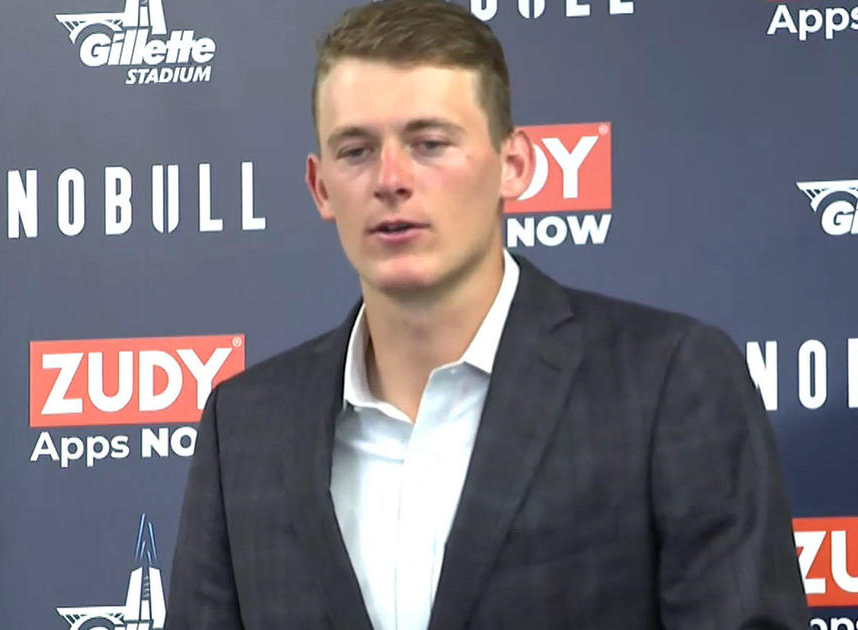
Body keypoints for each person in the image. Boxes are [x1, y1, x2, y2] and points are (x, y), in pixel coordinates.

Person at [166, 1, 809, 628]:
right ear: (320, 187)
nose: (391, 179)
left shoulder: (669, 382)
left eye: (429, 143)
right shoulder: (243, 428)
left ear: (514, 165)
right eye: (356, 151)